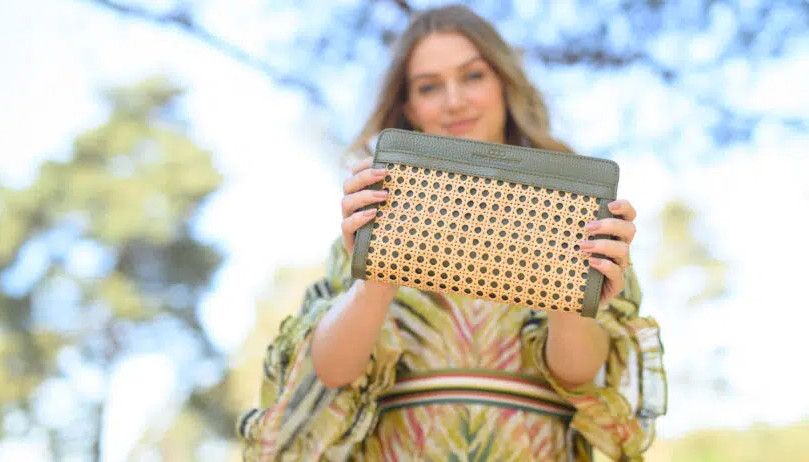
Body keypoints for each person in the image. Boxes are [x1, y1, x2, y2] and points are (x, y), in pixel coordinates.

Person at [236, 4, 667, 462]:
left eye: (473, 76)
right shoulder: (372, 219)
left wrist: (569, 292)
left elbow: (580, 374)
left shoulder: (577, 217)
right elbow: (332, 372)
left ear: (504, 83)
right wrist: (375, 275)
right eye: (429, 86)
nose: (454, 101)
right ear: (409, 106)